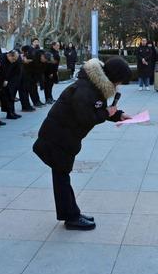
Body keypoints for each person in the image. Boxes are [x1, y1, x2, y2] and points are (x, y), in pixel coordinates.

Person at [33, 58, 131, 231]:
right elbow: (86, 117)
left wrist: (118, 115)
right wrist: (106, 113)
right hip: (57, 138)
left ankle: (72, 213)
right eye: (120, 80)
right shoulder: (86, 89)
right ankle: (71, 217)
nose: (119, 84)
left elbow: (96, 110)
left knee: (62, 176)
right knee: (62, 177)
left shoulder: (94, 86)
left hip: (63, 137)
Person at [0, 50, 22, 120]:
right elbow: (0, 71)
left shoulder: (11, 59)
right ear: (9, 55)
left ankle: (12, 111)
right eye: (13, 59)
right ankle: (9, 113)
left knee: (12, 96)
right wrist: (4, 80)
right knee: (7, 97)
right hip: (3, 81)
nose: (14, 61)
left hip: (10, 80)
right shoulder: (1, 59)